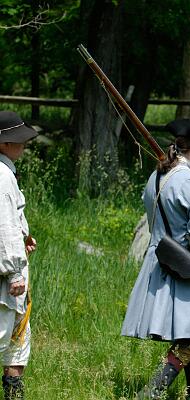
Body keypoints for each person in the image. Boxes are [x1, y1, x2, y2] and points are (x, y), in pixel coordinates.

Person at [121, 119, 190, 399]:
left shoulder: (157, 176)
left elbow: (161, 220)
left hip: (161, 263)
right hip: (187, 269)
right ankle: (151, 392)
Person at [0, 111, 38, 400]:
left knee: (17, 340)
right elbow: (4, 226)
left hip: (10, 269)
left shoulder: (5, 172)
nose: (23, 145)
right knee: (4, 337)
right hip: (5, 278)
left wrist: (23, 238)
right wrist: (14, 271)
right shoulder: (2, 177)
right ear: (4, 144)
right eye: (18, 140)